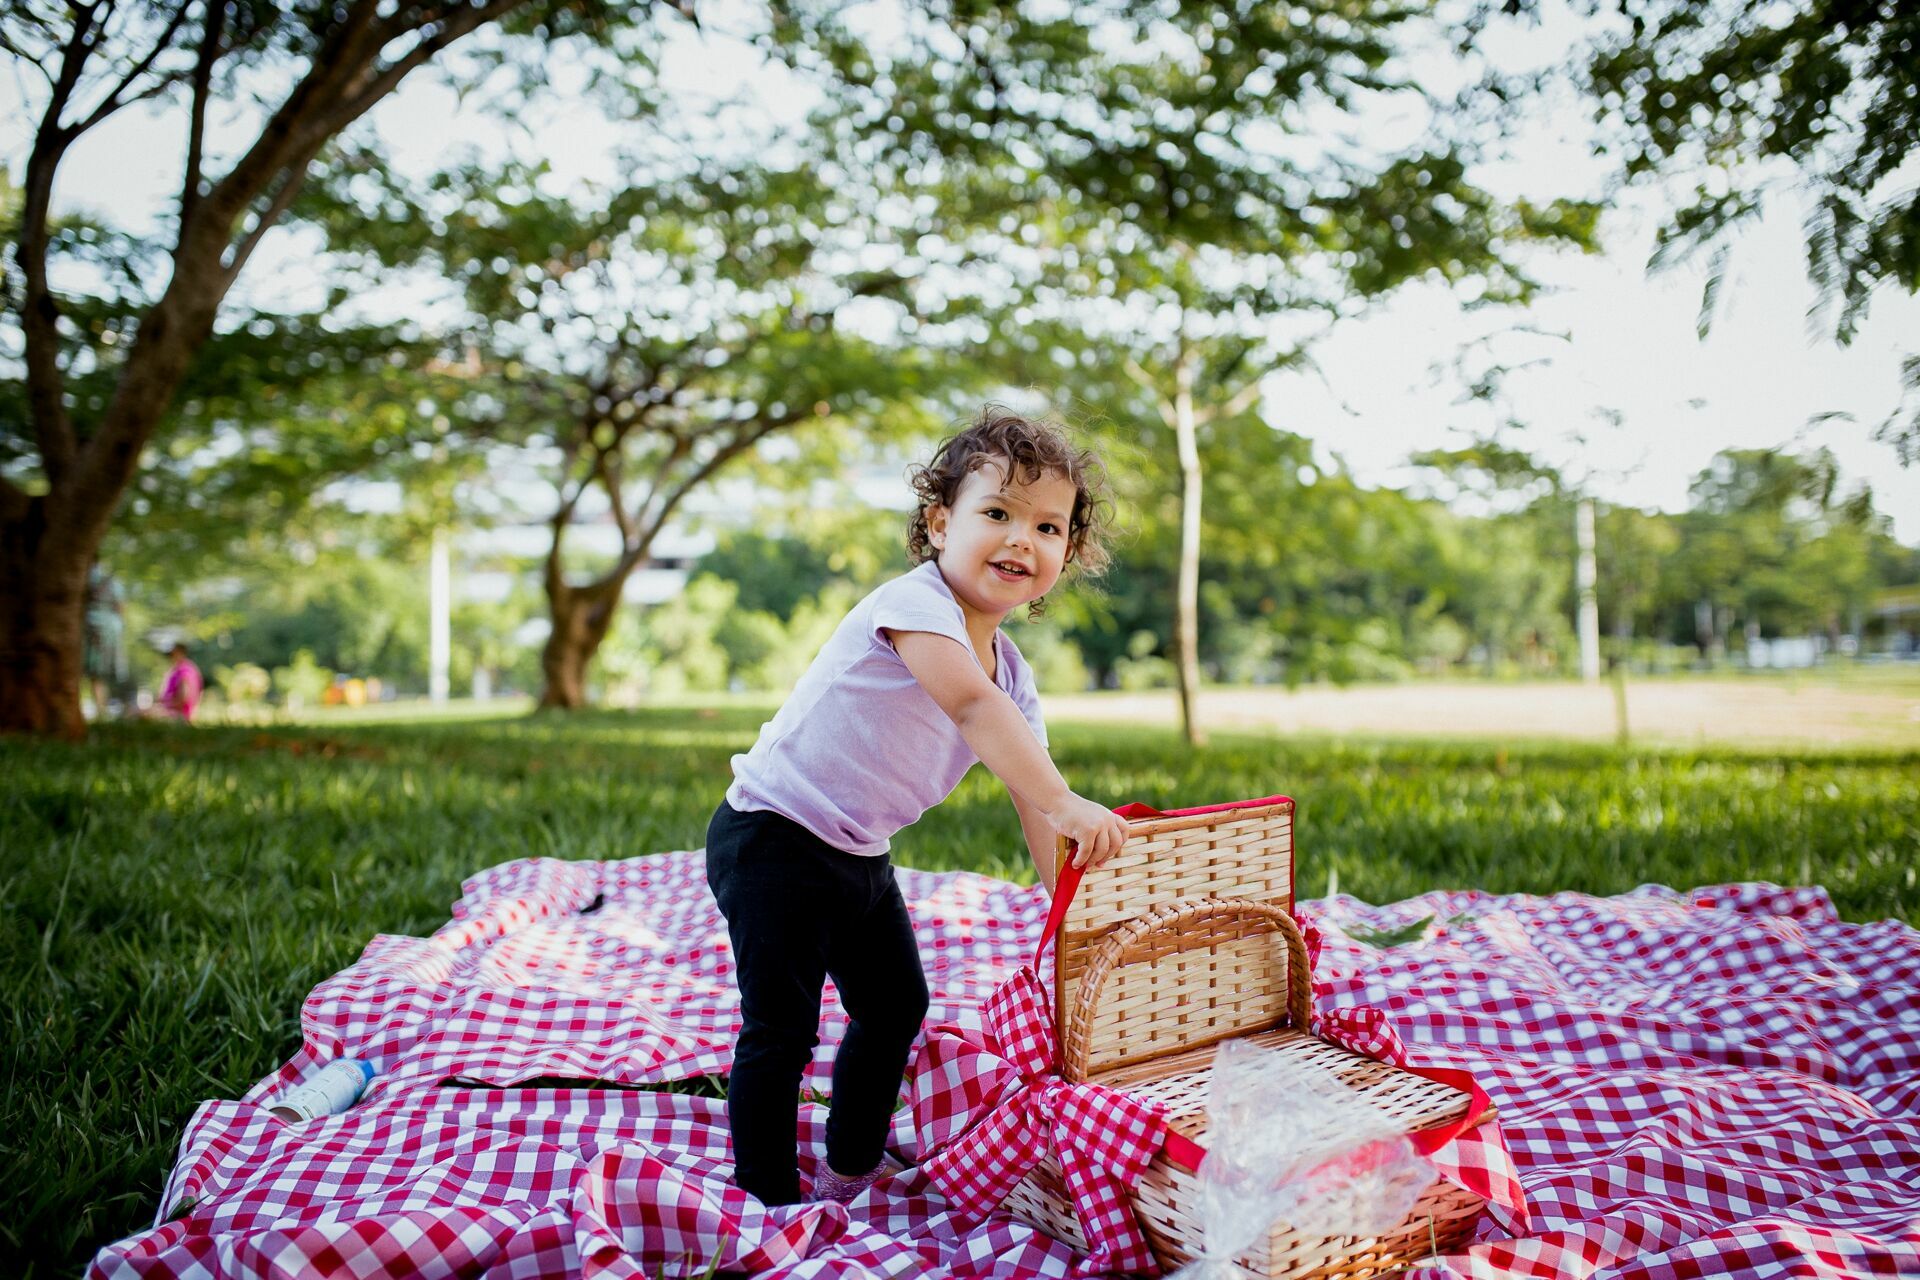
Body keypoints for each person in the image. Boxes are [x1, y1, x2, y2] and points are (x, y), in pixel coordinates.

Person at [706, 405, 1131, 1208]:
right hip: (771, 838)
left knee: (897, 1004)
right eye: (997, 513)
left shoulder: (1013, 676)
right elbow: (971, 711)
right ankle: (762, 1192)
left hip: (857, 851)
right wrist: (1069, 800)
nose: (1020, 540)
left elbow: (1029, 794)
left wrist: (1064, 909)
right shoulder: (915, 606)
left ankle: (852, 1161)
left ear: (1066, 553)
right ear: (941, 524)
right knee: (781, 1029)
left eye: (1048, 527)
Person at [158, 643, 203, 722]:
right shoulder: (183, 668)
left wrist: (161, 707)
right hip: (177, 714)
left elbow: (183, 698)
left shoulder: (184, 671)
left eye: (172, 653)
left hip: (178, 716)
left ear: (179, 652)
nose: (170, 657)